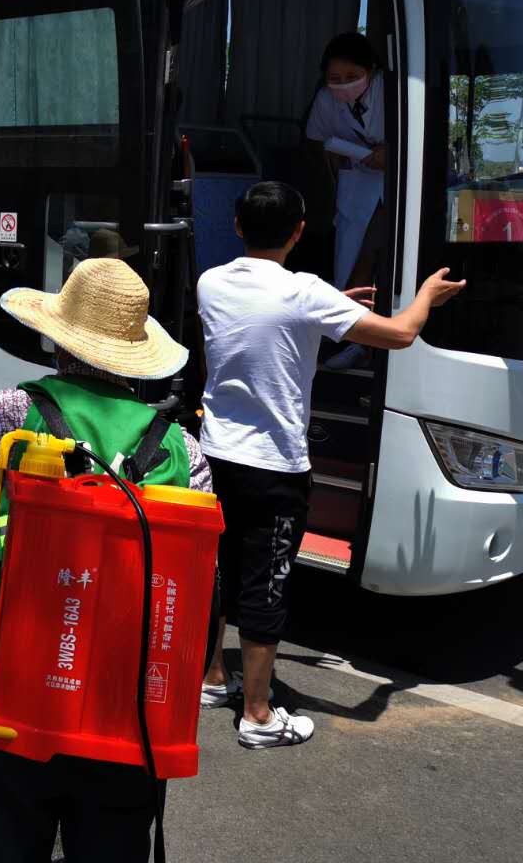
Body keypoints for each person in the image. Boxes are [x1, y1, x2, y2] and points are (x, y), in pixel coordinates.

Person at [0, 257, 211, 863]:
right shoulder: (183, 448)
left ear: (59, 338)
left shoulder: (4, 415)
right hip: (126, 717)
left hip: (9, 697)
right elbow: (205, 589)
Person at [197, 182, 464, 748]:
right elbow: (401, 333)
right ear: (298, 233)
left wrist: (333, 303)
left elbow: (266, 321)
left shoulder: (211, 282)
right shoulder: (306, 294)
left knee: (216, 571)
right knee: (265, 584)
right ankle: (259, 716)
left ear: (239, 227)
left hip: (215, 456)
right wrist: (425, 295)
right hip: (275, 467)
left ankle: (212, 677)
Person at [305, 32, 388, 370]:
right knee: (350, 261)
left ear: (371, 70)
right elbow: (317, 138)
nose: (343, 86)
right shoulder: (327, 99)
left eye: (352, 77)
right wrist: (338, 158)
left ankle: (364, 342)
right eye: (335, 79)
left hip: (393, 184)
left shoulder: (390, 89)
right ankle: (355, 340)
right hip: (356, 183)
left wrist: (391, 151)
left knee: (371, 261)